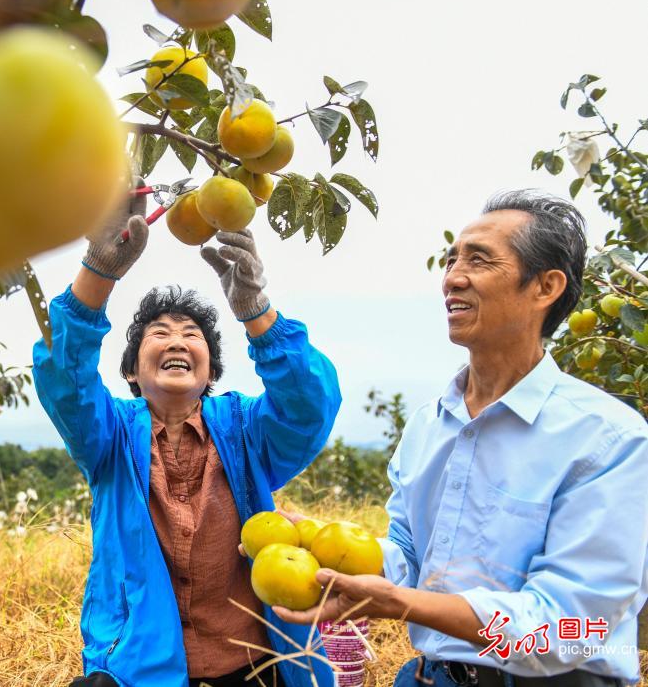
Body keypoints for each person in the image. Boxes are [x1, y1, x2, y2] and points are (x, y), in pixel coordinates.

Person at [272, 191, 648, 687]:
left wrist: (402, 605)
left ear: (546, 287)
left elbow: (567, 630)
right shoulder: (430, 424)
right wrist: (328, 545)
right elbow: (409, 555)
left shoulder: (606, 438)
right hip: (429, 676)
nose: (452, 276)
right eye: (451, 259)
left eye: (479, 259)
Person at [32, 192, 342, 687]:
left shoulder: (244, 428)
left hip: (257, 667)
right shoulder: (108, 435)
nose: (176, 340)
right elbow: (64, 378)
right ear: (132, 370)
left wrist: (256, 310)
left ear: (211, 370)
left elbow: (308, 406)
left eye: (191, 334)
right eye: (159, 333)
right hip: (137, 672)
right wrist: (99, 266)